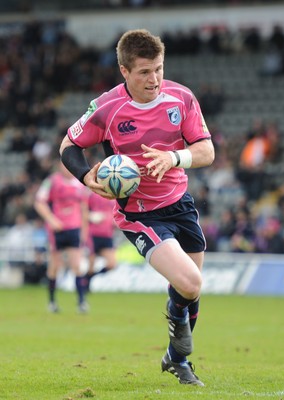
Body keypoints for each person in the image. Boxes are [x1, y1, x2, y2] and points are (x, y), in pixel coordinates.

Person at [59, 29, 214, 386]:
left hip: (180, 203)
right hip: (138, 212)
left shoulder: (181, 98)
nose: (155, 79)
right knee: (190, 282)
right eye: (144, 72)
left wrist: (174, 157)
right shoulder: (107, 108)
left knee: (191, 291)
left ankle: (177, 358)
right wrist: (86, 178)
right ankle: (180, 352)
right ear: (124, 71)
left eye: (159, 69)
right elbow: (69, 145)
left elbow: (207, 151)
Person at [34, 161, 89, 313]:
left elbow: (84, 208)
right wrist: (51, 220)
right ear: (60, 166)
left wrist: (84, 230)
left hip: (74, 228)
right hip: (57, 229)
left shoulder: (80, 183)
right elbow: (39, 203)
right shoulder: (51, 181)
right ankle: (52, 302)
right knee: (55, 266)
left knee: (76, 265)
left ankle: (81, 302)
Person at [84, 191, 117, 291]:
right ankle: (85, 285)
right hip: (93, 234)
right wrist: (91, 216)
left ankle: (89, 277)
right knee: (91, 265)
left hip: (107, 234)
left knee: (112, 264)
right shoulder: (91, 194)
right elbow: (82, 211)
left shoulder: (114, 194)